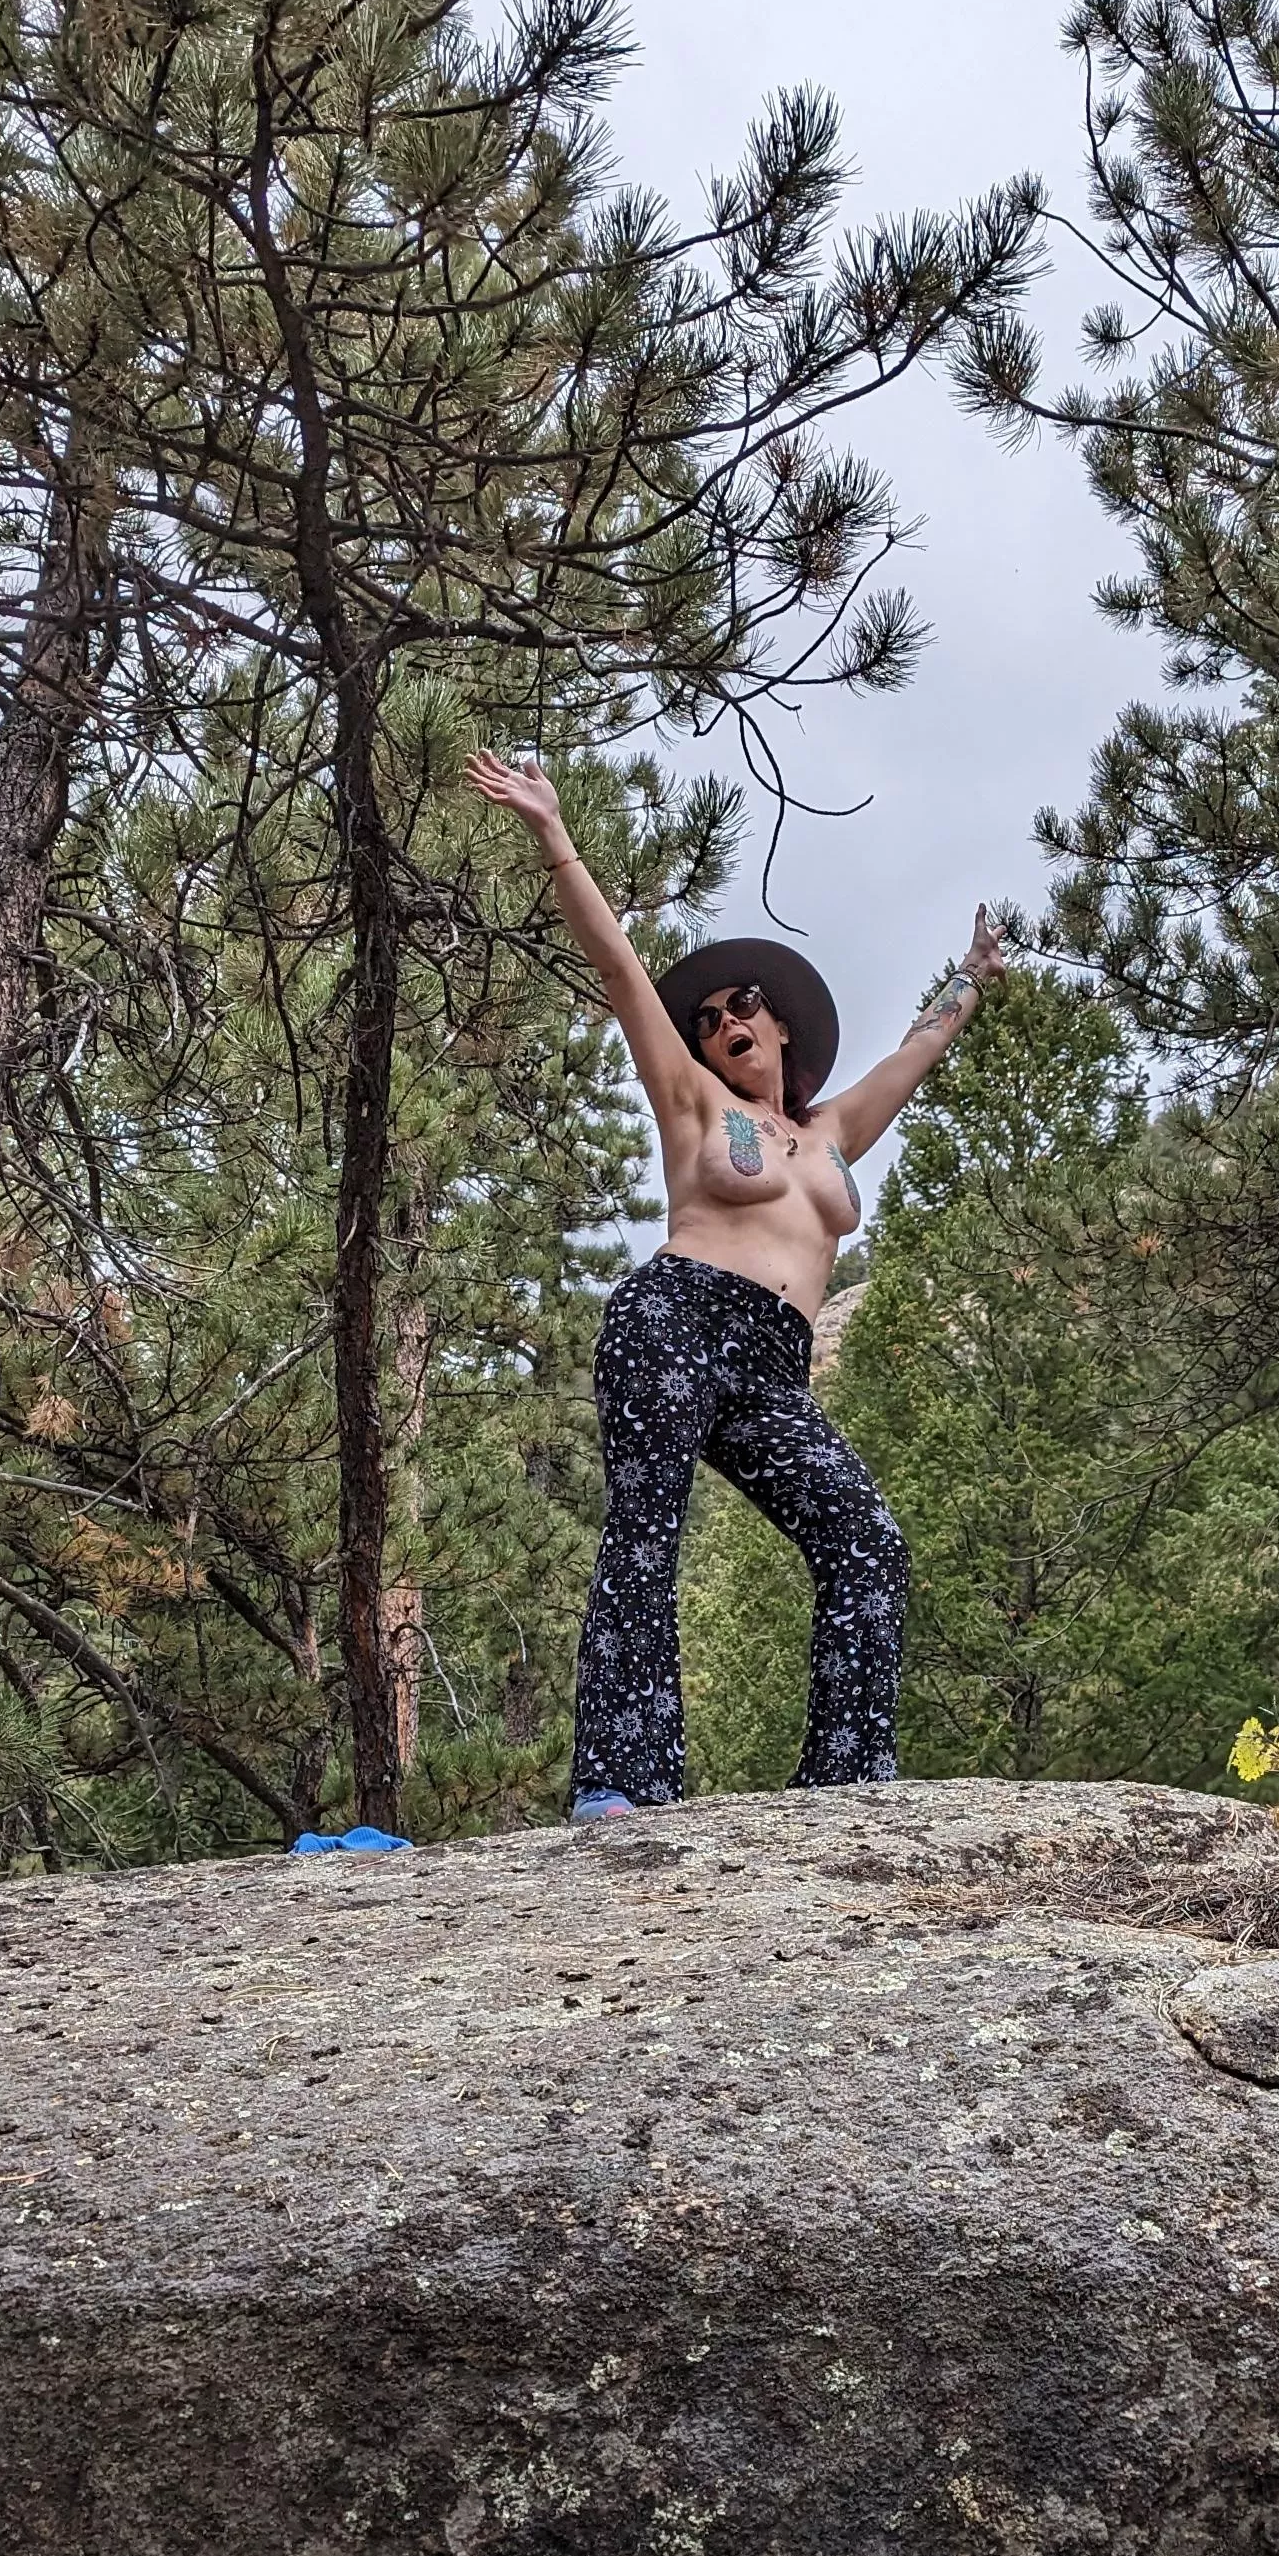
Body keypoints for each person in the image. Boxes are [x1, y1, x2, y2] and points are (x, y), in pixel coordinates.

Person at [465, 748, 1006, 1815]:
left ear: (781, 1023)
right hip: (674, 1319)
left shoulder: (833, 1131)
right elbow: (620, 969)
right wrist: (553, 834)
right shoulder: (694, 1103)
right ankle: (624, 1785)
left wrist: (972, 977)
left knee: (866, 1543)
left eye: (742, 1004)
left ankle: (844, 1780)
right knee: (645, 1535)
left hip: (774, 1367)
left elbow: (918, 1050)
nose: (723, 1022)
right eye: (709, 1017)